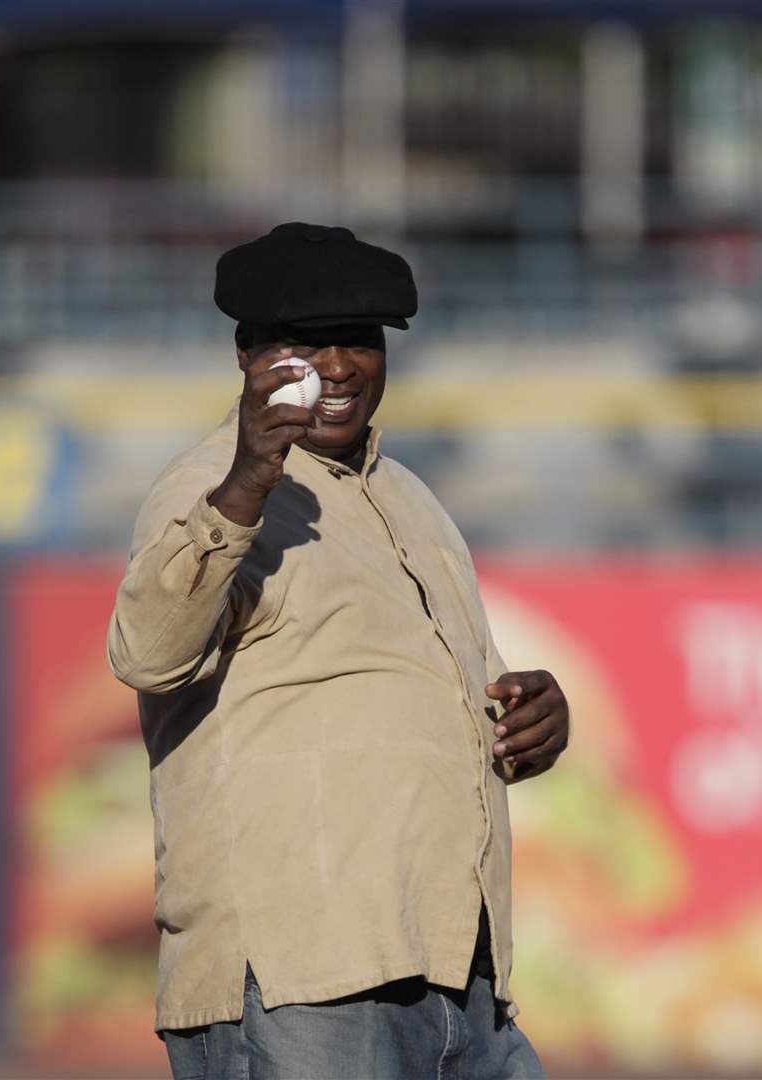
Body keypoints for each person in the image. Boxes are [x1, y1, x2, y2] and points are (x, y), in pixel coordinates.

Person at [107, 222, 570, 1079]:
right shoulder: (209, 487)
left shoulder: (413, 500)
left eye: (358, 339)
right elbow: (146, 654)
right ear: (250, 355)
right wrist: (248, 479)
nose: (339, 365)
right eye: (305, 343)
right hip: (303, 986)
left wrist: (535, 723)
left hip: (455, 978)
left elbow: (438, 713)